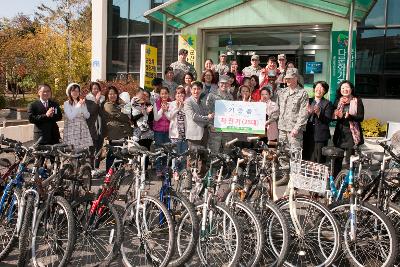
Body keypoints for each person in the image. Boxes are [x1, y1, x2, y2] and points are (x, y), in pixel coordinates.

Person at [333, 80, 364, 176]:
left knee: (350, 160)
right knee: (337, 159)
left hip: (352, 134)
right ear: (340, 90)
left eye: (347, 87)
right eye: (342, 88)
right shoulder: (338, 101)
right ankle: (336, 180)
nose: (345, 89)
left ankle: (350, 182)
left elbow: (361, 117)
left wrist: (349, 116)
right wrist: (336, 115)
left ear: (351, 89)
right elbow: (333, 117)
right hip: (340, 134)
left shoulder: (357, 100)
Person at [276, 68, 308, 150]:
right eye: (286, 78)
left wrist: (297, 128)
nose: (287, 80)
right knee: (282, 154)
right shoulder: (282, 92)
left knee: (295, 154)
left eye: (290, 78)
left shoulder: (302, 93)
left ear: (296, 78)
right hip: (282, 128)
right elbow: (277, 109)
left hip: (294, 130)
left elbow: (303, 113)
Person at [102, 86, 133, 170]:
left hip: (121, 133)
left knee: (118, 153)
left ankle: (116, 172)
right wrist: (127, 118)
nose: (113, 95)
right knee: (112, 153)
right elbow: (120, 116)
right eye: (110, 94)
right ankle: (109, 172)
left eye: (115, 93)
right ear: (107, 95)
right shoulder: (108, 105)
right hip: (114, 134)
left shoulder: (117, 105)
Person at [303, 81, 333, 163]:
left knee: (318, 160)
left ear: (325, 91)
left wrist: (319, 113)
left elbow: (328, 120)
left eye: (321, 88)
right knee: (306, 158)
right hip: (307, 134)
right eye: (317, 87)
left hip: (320, 136)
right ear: (314, 89)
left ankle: (318, 175)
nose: (319, 89)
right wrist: (308, 113)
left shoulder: (328, 103)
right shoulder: (308, 101)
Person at [206, 75, 234, 153]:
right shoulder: (212, 95)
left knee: (227, 151)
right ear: (218, 83)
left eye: (226, 83)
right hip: (215, 127)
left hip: (227, 128)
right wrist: (209, 125)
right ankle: (213, 165)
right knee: (214, 151)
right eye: (222, 83)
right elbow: (207, 110)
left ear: (229, 85)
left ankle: (225, 165)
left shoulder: (230, 97)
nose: (224, 85)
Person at [63, 83, 93, 151]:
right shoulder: (66, 103)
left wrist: (83, 108)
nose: (76, 93)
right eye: (73, 91)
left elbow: (87, 116)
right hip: (72, 129)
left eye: (77, 91)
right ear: (69, 92)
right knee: (73, 150)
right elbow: (70, 116)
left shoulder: (81, 102)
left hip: (82, 128)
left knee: (83, 150)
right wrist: (79, 105)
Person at [165, 87, 188, 175]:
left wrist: (183, 106)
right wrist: (178, 108)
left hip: (184, 133)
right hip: (175, 133)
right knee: (175, 154)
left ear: (184, 95)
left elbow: (189, 116)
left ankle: (182, 170)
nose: (180, 95)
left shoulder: (186, 104)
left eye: (182, 93)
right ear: (175, 95)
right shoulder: (172, 104)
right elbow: (170, 116)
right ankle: (175, 171)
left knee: (183, 153)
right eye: (178, 93)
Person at [153, 87, 171, 178]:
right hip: (158, 131)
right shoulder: (156, 104)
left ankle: (165, 168)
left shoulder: (171, 103)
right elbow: (156, 118)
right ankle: (158, 169)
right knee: (158, 151)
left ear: (168, 94)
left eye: (165, 93)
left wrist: (166, 110)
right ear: (159, 94)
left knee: (166, 151)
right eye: (162, 93)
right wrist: (162, 110)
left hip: (168, 131)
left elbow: (171, 118)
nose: (164, 95)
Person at [85, 82, 104, 168]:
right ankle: (90, 167)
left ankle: (96, 167)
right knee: (91, 148)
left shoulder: (103, 99)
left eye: (97, 88)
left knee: (99, 147)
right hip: (92, 126)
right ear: (91, 90)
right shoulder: (88, 99)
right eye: (94, 89)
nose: (96, 90)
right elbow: (91, 112)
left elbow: (102, 113)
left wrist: (100, 102)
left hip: (101, 125)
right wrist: (96, 101)